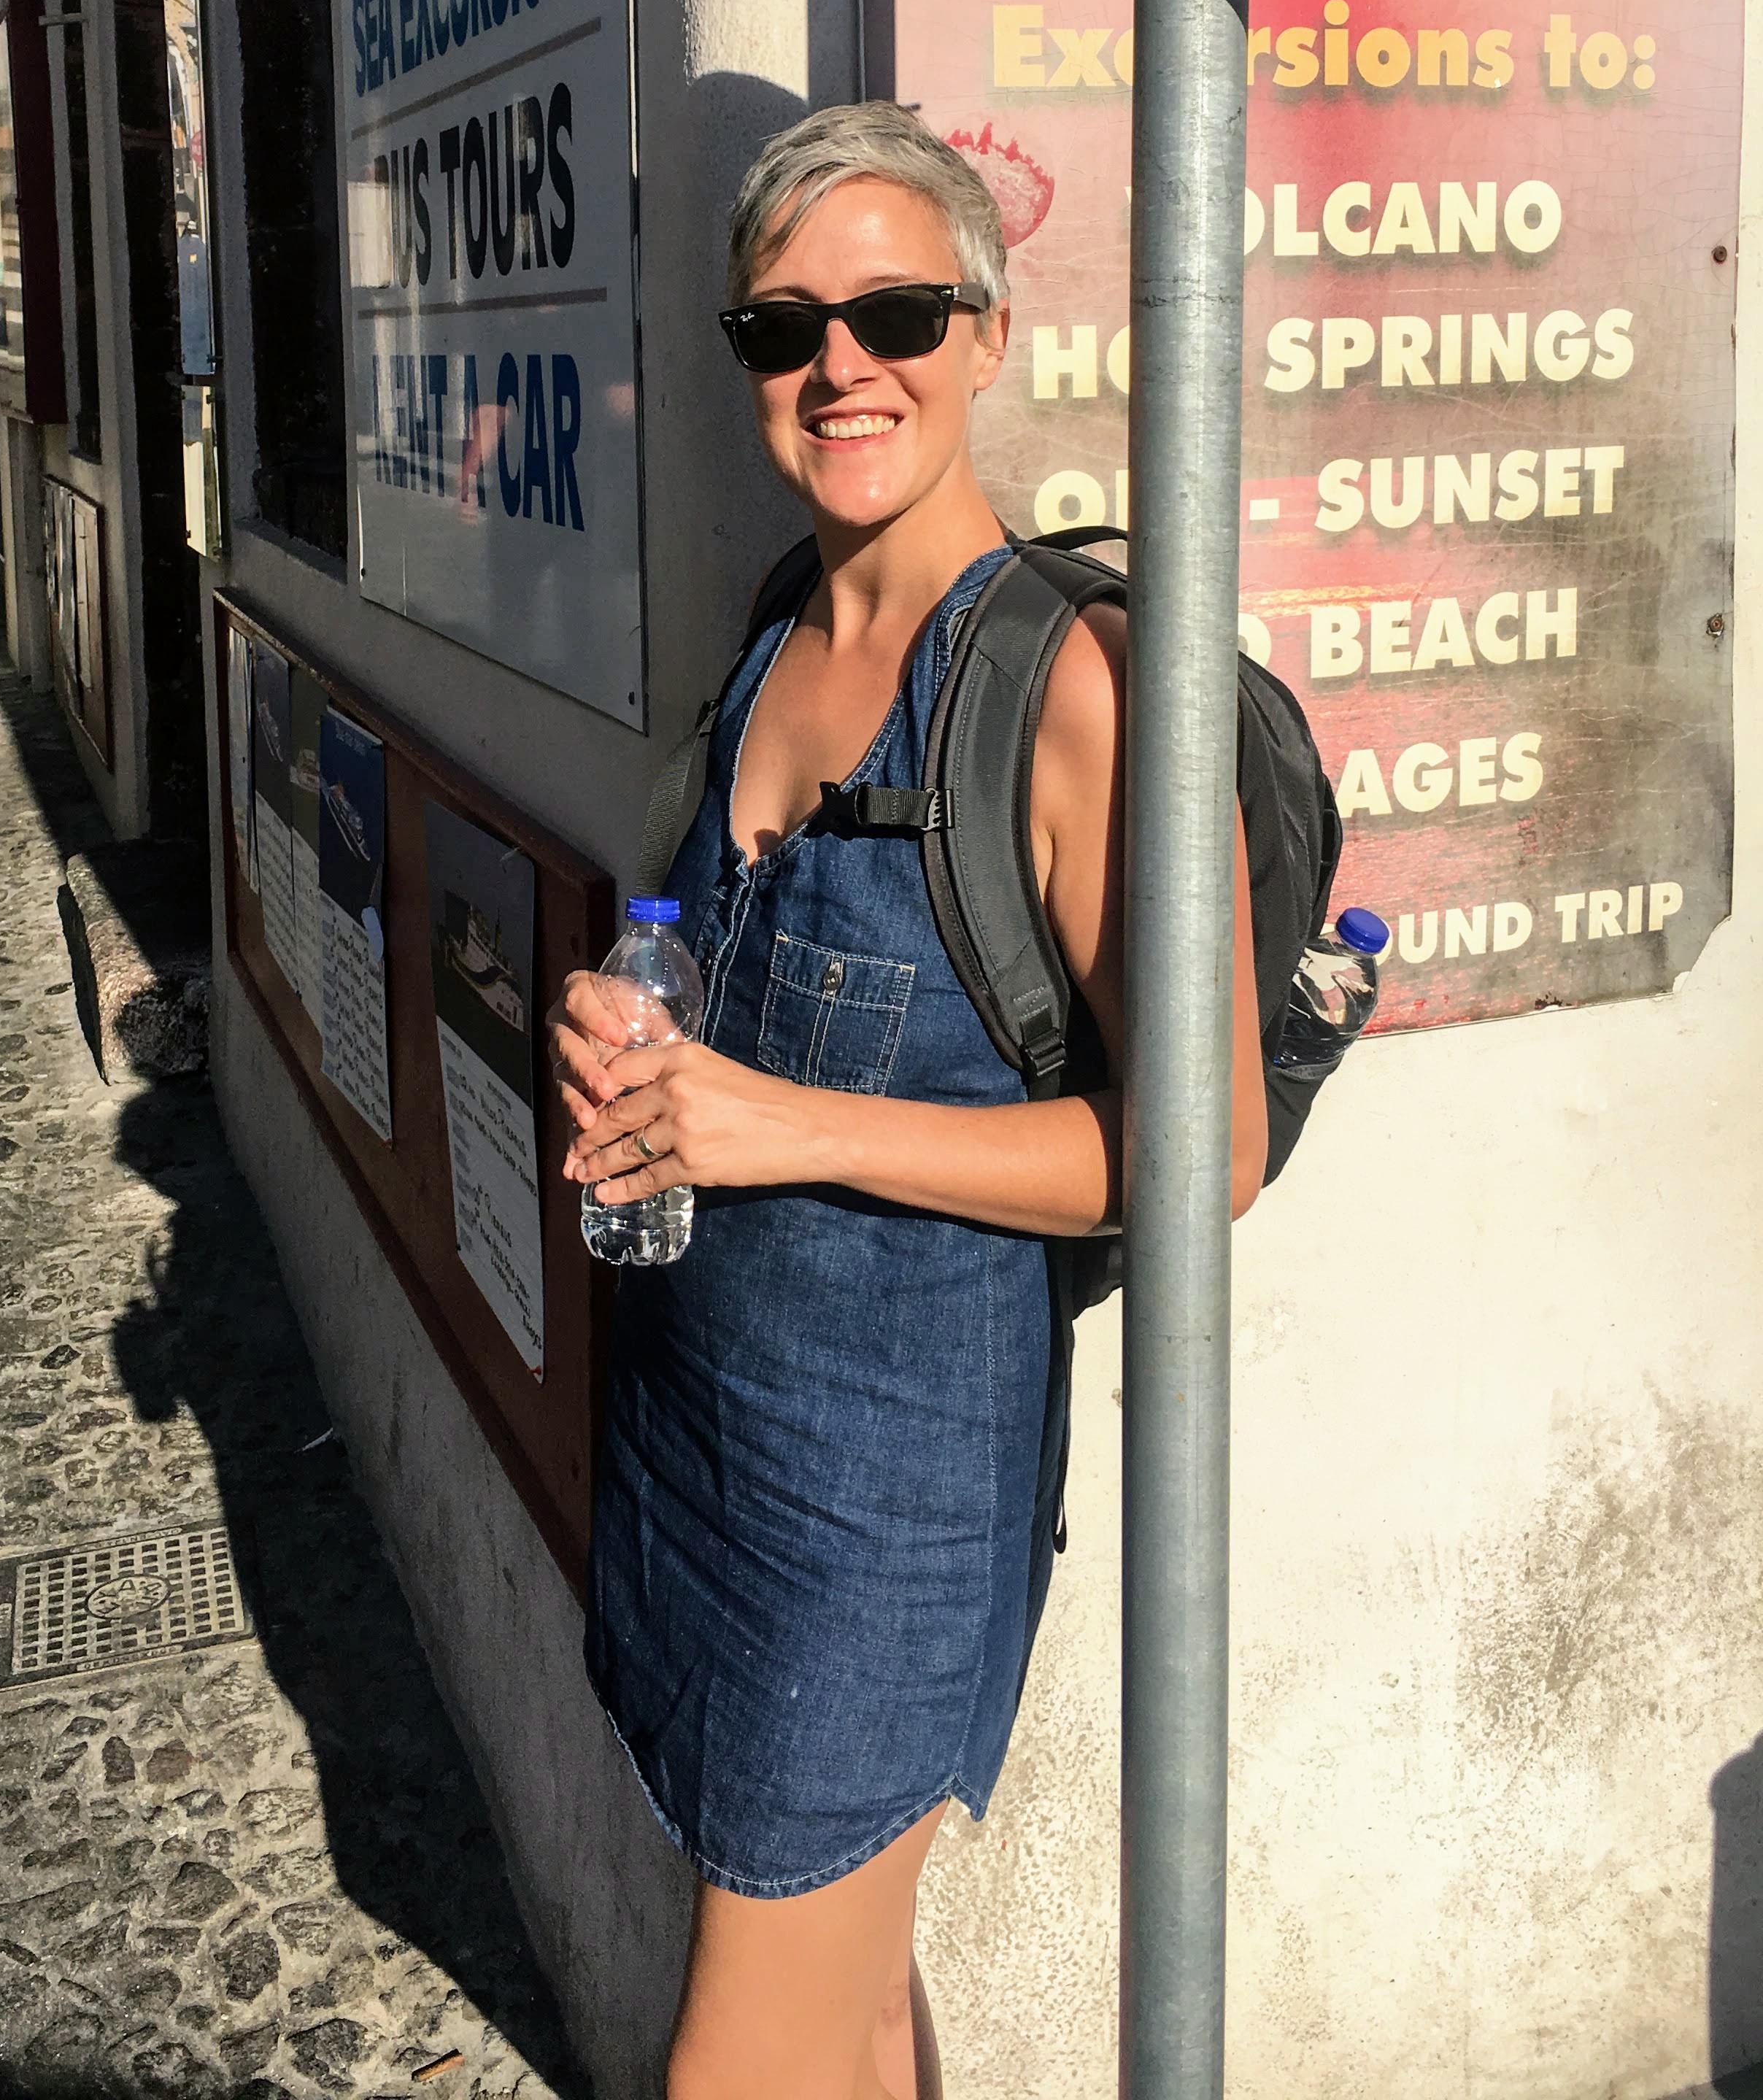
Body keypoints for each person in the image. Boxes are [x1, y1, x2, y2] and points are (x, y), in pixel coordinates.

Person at [547, 104, 1268, 2100]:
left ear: (989, 334)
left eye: (897, 313)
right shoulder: (782, 619)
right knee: (852, 2008)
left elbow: (1201, 1155)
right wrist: (629, 1022)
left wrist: (782, 1129)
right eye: (783, 329)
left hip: (886, 1501)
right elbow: (730, 954)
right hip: (693, 1423)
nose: (840, 365)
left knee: (743, 2055)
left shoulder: (1081, 687)